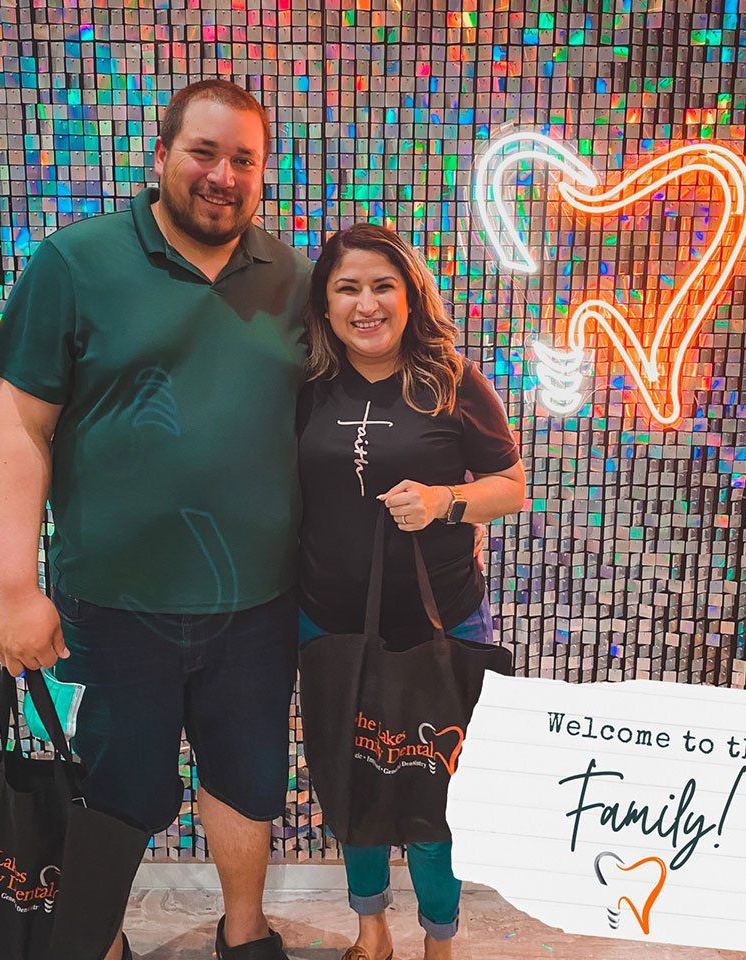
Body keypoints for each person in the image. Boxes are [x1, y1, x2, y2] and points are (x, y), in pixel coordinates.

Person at [0, 80, 311, 960]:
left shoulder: (294, 279)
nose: (222, 175)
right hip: (112, 606)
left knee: (246, 786)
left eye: (244, 158)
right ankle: (99, 939)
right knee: (113, 793)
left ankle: (246, 931)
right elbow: (19, 428)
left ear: (262, 173)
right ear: (161, 155)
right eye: (204, 152)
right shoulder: (75, 263)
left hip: (257, 606)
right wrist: (16, 587)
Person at [296, 224, 527, 960]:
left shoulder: (453, 381)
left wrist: (443, 502)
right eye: (348, 288)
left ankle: (440, 940)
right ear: (325, 305)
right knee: (354, 780)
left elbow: (512, 490)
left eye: (382, 285)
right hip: (327, 623)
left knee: (436, 799)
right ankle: (372, 931)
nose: (367, 304)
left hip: (444, 623)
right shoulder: (303, 389)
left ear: (408, 295)